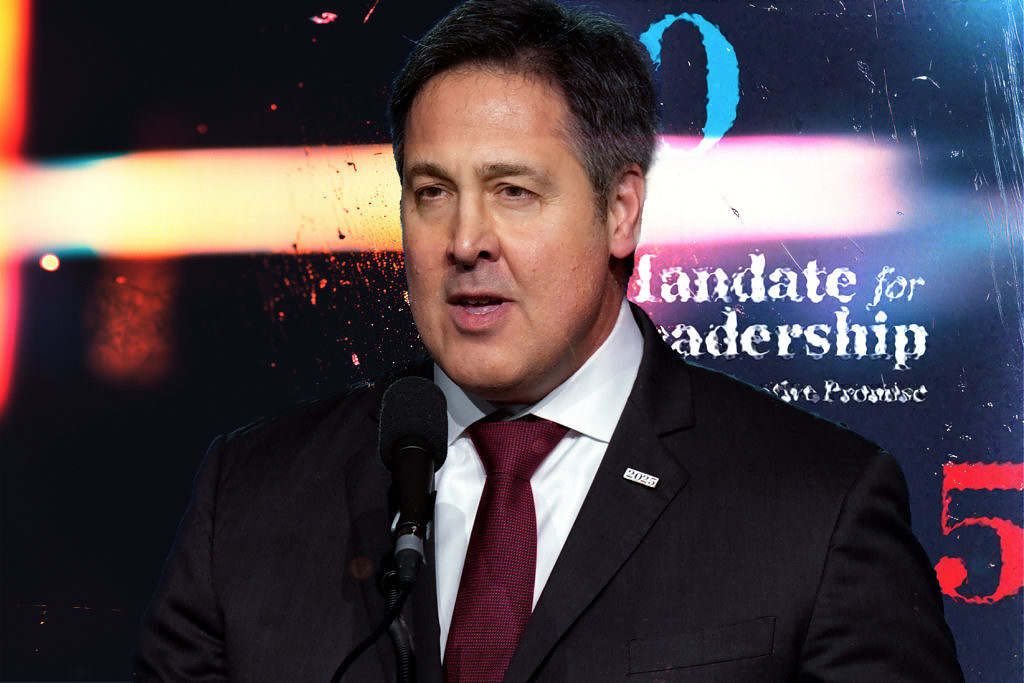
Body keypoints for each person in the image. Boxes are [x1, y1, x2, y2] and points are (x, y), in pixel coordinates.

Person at [132, 0, 964, 681]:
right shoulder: (251, 499)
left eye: (514, 192)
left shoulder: (818, 509)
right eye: (432, 192)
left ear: (621, 210)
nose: (465, 241)